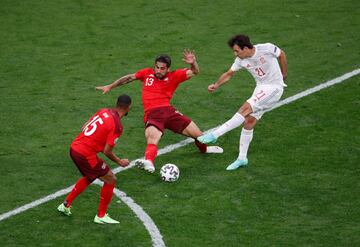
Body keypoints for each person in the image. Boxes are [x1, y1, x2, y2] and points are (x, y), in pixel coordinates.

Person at [96, 49, 223, 173]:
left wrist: (192, 62)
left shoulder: (175, 75)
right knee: (152, 138)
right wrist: (110, 86)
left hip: (170, 112)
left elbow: (195, 71)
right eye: (157, 67)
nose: (159, 70)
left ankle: (204, 150)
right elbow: (129, 78)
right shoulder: (147, 73)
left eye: (162, 68)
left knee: (200, 136)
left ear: (168, 69)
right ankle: (149, 162)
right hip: (153, 113)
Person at [197, 34, 287, 170]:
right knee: (249, 122)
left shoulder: (267, 48)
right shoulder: (240, 60)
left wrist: (284, 74)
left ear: (245, 48)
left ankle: (215, 134)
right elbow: (229, 74)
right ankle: (242, 158)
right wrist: (216, 84)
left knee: (244, 109)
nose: (235, 54)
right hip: (260, 88)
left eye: (237, 51)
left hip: (274, 88)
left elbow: (282, 54)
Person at [57, 94, 131, 224]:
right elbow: (107, 151)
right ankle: (101, 216)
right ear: (128, 107)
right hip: (85, 154)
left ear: (117, 103)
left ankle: (65, 205)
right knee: (110, 178)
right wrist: (120, 161)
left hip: (74, 148)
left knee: (91, 176)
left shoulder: (104, 111)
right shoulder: (117, 126)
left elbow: (84, 127)